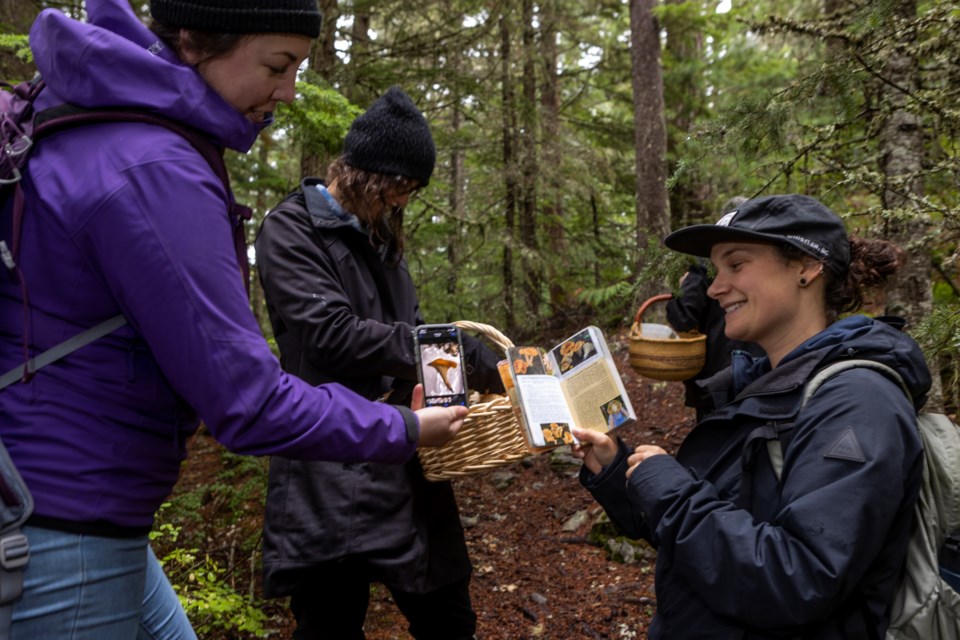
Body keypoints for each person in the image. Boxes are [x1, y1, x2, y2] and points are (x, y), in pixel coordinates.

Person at [0, 3, 468, 638]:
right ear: (195, 38)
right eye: (278, 65)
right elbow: (247, 398)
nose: (289, 91)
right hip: (63, 515)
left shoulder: (106, 126)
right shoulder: (153, 167)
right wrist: (408, 427)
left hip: (78, 500)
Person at [572, 194, 928, 639]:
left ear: (806, 267)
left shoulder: (857, 402)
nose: (716, 287)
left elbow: (799, 579)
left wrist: (670, 490)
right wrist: (618, 471)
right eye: (717, 270)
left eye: (736, 265)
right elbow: (704, 534)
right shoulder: (762, 386)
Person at [254, 86, 505, 640]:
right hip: (329, 459)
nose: (401, 202)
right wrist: (458, 352)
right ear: (367, 173)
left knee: (449, 618)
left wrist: (489, 376)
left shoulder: (384, 240)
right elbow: (332, 335)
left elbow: (407, 333)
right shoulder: (291, 231)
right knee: (329, 623)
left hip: (405, 456)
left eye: (410, 192)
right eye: (398, 187)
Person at [666, 197, 764, 421]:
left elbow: (682, 317)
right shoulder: (763, 263)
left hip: (719, 381)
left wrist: (679, 290)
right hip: (763, 372)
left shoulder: (705, 265)